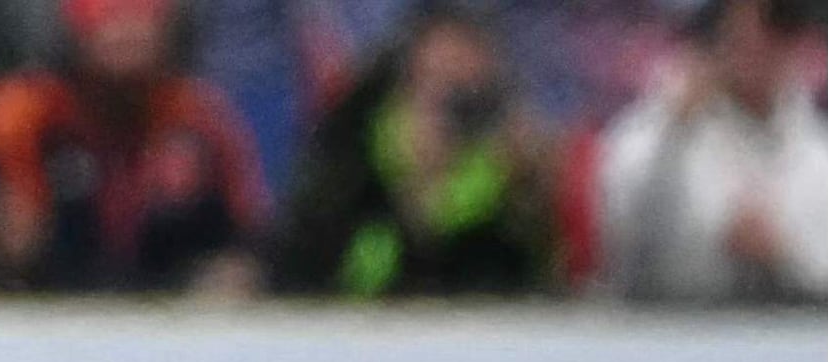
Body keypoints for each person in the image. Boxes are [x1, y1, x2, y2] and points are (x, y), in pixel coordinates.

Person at [0, 0, 268, 286]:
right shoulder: (23, 113)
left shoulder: (200, 117)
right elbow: (14, 232)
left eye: (139, 16)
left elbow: (250, 235)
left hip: (173, 311)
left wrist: (233, 272)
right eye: (108, 16)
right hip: (50, 306)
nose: (125, 32)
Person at [273, 0, 564, 280]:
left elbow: (520, 273)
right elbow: (307, 255)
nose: (455, 62)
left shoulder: (509, 154)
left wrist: (525, 194)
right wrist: (406, 194)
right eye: (443, 46)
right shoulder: (353, 139)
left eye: (468, 46)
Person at [589, 0, 828, 297]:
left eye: (777, 31)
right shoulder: (658, 126)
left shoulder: (816, 150)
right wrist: (674, 129)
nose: (757, 47)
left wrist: (785, 255)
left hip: (784, 328)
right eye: (743, 34)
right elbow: (620, 236)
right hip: (670, 327)